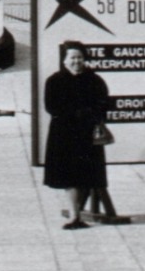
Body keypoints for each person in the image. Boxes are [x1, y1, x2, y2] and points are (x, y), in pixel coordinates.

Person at [42, 41, 122, 229]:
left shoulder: (94, 80)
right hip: (64, 134)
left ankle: (75, 212)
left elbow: (104, 103)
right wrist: (77, 113)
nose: (77, 61)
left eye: (80, 57)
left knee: (87, 173)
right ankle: (74, 215)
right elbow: (51, 106)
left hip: (88, 133)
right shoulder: (54, 81)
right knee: (69, 176)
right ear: (64, 61)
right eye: (72, 58)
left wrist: (92, 115)